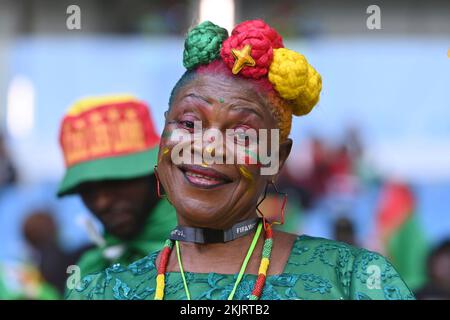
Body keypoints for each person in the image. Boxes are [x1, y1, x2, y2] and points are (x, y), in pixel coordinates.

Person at [67, 20, 414, 300]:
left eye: (242, 135)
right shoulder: (99, 290)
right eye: (188, 124)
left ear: (276, 158)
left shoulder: (353, 281)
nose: (209, 147)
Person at [57, 95, 176, 280]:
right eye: (86, 190)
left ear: (157, 171)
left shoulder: (216, 253)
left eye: (115, 181)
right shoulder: (90, 272)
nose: (101, 203)